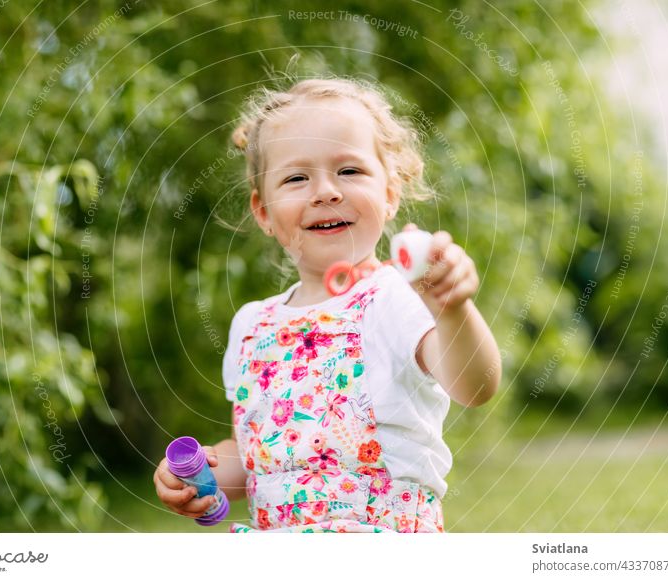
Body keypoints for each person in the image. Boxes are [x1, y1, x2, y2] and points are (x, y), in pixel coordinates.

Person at [155, 77, 501, 532]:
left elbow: (475, 386)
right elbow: (254, 455)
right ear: (264, 212)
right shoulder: (251, 326)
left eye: (350, 171)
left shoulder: (395, 296)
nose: (325, 191)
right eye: (297, 178)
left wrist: (452, 309)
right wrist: (201, 476)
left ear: (391, 193)